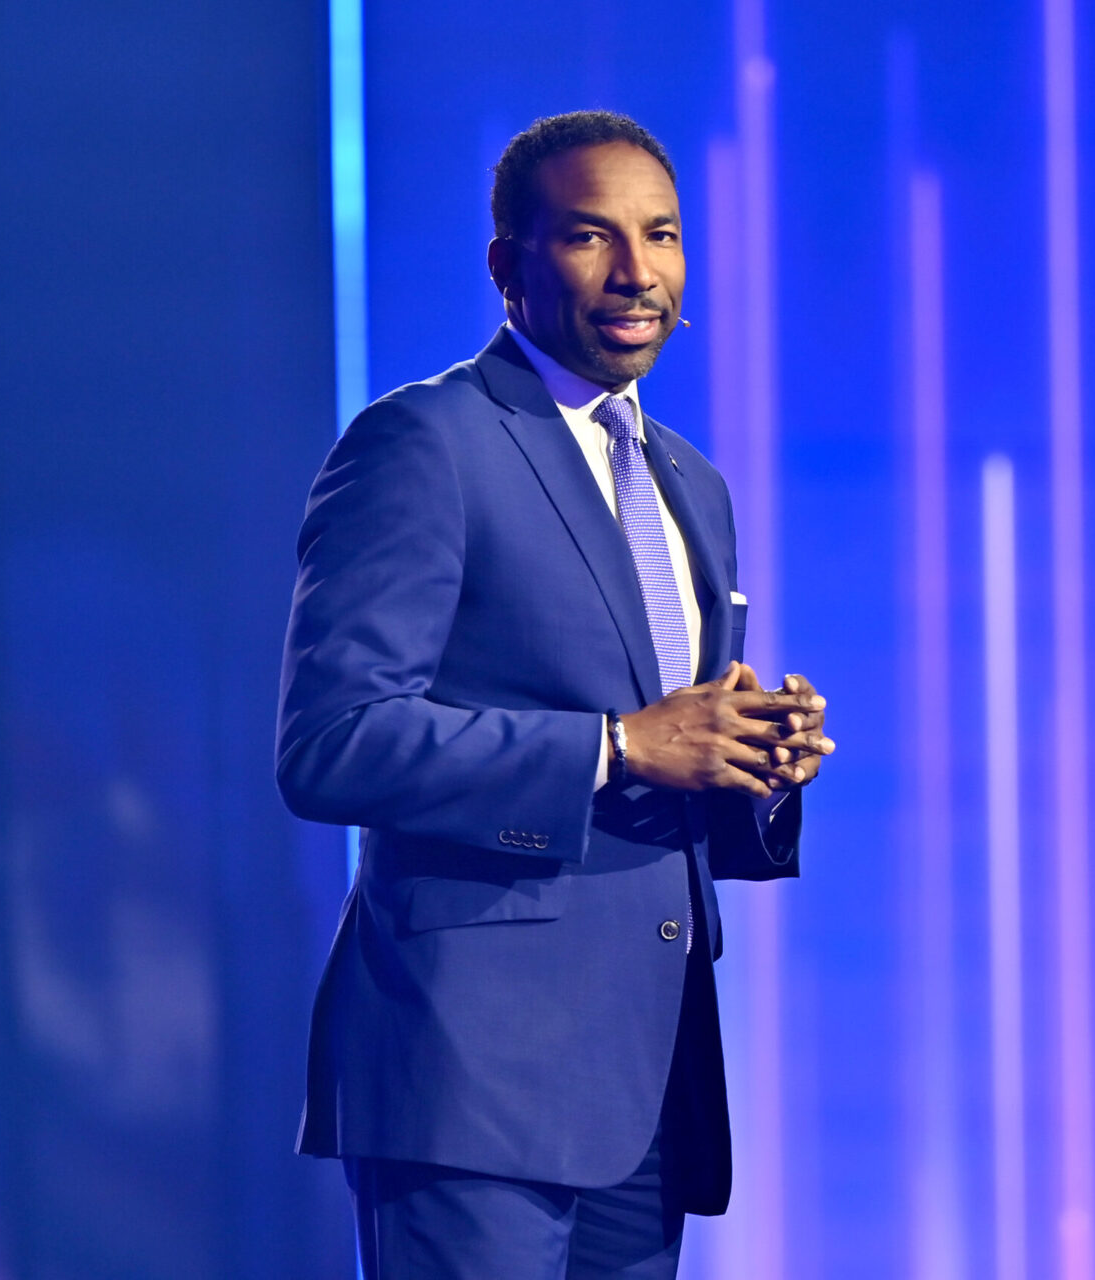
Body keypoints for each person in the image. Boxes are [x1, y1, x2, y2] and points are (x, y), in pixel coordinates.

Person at [275, 110, 833, 1279]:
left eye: (662, 235)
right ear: (508, 268)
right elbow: (332, 741)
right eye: (590, 236)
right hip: (471, 1072)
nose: (638, 273)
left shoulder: (690, 480)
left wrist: (752, 763)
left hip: (646, 1078)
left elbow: (673, 759)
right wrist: (619, 746)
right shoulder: (425, 442)